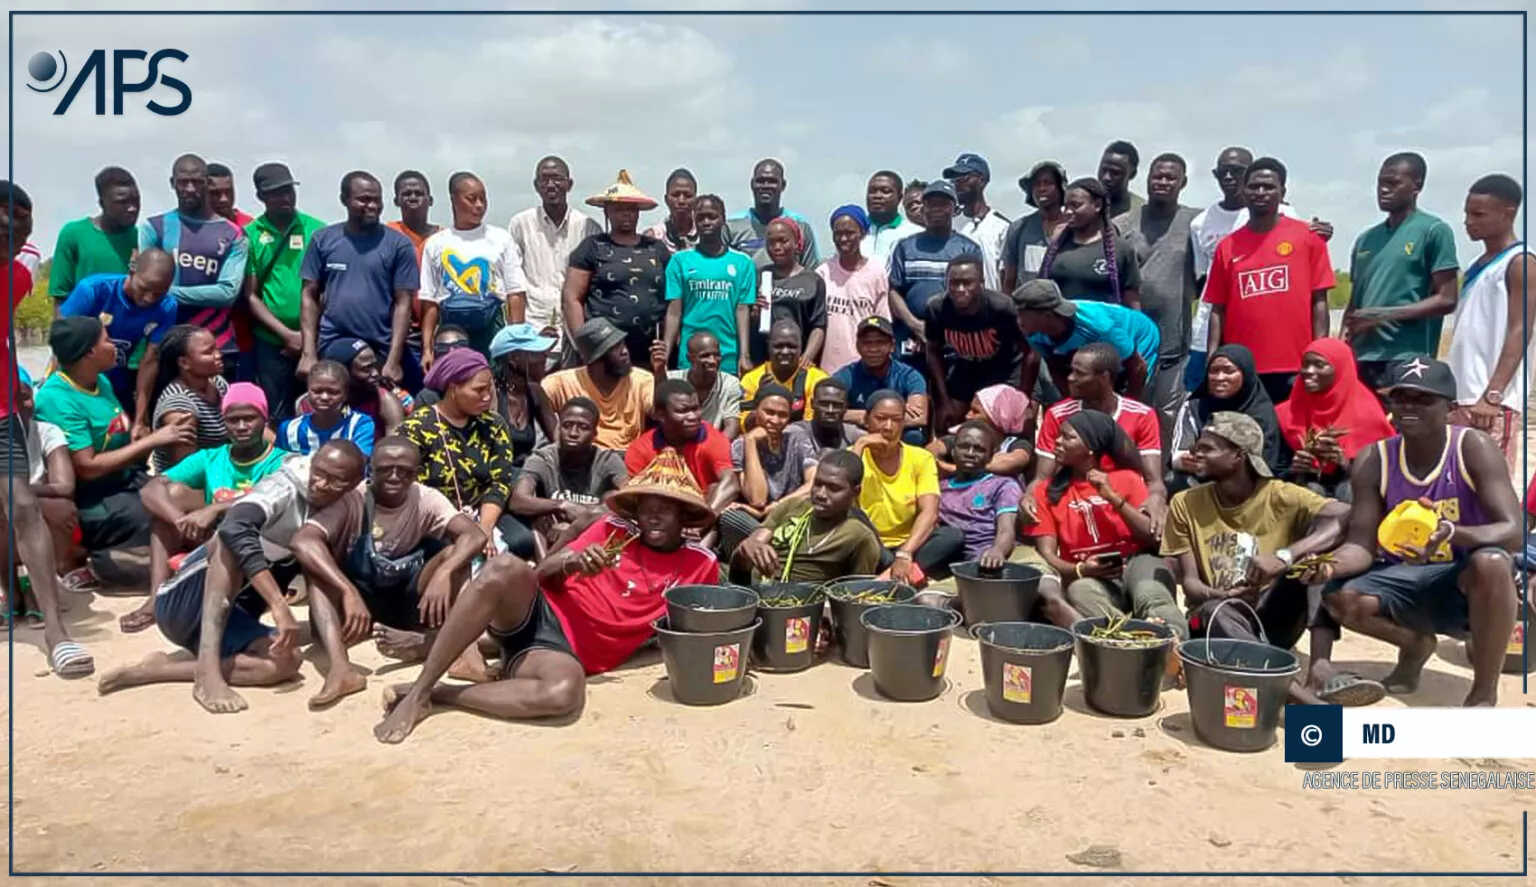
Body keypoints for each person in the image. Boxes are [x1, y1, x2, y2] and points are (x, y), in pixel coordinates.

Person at [372, 449, 719, 743]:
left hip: (558, 651)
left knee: (562, 693)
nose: (653, 516)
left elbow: (701, 623)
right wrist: (572, 562)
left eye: (666, 508)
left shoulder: (700, 565)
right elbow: (539, 574)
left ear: (684, 514)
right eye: (646, 507)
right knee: (504, 567)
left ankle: (442, 691)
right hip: (537, 611)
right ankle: (419, 691)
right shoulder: (613, 529)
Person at [1308, 358, 1522, 708]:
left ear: (1450, 408)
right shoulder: (1374, 458)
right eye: (1400, 397)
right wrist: (1327, 566)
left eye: (1423, 399)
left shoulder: (1472, 448)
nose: (1409, 407)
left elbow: (1512, 532)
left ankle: (1483, 693)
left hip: (1463, 579)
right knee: (1341, 598)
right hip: (1404, 575)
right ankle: (1414, 644)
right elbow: (1362, 544)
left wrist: (1453, 533)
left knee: (1493, 563)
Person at [96, 441, 366, 713]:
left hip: (235, 617)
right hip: (183, 605)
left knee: (286, 662)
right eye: (318, 472)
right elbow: (235, 527)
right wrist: (278, 605)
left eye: (334, 480)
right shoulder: (286, 484)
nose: (319, 483)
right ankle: (207, 673)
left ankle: (159, 670)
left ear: (354, 481)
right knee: (230, 541)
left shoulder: (348, 502)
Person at [1162, 414, 1359, 697]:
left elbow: (1348, 515)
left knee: (1314, 562)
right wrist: (1224, 595)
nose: (1195, 454)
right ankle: (1298, 697)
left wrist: (1286, 556)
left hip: (1273, 617)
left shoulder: (1280, 495)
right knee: (1210, 612)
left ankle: (1319, 669)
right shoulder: (1185, 503)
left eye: (1207, 448)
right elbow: (1191, 585)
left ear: (1238, 456)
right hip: (1214, 621)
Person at [289, 437, 488, 707]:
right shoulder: (354, 498)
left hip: (407, 597)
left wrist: (444, 573)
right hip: (360, 604)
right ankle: (341, 670)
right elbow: (303, 541)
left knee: (457, 555)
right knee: (316, 572)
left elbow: (474, 536)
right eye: (385, 469)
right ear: (372, 470)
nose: (394, 476)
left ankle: (468, 654)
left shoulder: (426, 498)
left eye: (404, 470)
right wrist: (347, 591)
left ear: (416, 472)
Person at [0, 182, 93, 677]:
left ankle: (56, 630)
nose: (16, 237)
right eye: (6, 227)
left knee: (21, 505)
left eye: (24, 227)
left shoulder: (18, 273)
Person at [125, 383, 290, 634]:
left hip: (253, 544)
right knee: (169, 498)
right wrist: (180, 520)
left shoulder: (280, 460)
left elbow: (274, 500)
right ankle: (156, 597)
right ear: (224, 422)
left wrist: (214, 509)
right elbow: (150, 489)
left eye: (250, 418)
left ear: (264, 420)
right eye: (234, 420)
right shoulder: (212, 457)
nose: (242, 426)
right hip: (207, 537)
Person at [35, 317, 191, 565]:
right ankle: (88, 559)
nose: (115, 346)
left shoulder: (100, 381)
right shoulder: (57, 398)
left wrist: (138, 434)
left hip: (126, 480)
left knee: (182, 499)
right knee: (156, 517)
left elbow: (117, 434)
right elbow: (86, 467)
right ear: (89, 352)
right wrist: (149, 442)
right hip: (92, 497)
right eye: (107, 340)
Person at [1188, 147, 1334, 392]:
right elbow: (1217, 310)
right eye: (1254, 187)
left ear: (1282, 192)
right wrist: (1214, 360)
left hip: (1295, 365)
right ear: (1245, 192)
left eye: (1268, 187)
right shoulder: (1227, 246)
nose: (1261, 192)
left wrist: (1319, 353)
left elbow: (1319, 301)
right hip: (1243, 368)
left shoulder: (1307, 238)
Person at [1030, 411, 1181, 634]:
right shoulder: (1045, 492)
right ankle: (1132, 640)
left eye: (1068, 437)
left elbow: (1150, 535)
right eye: (1059, 436)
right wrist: (1081, 569)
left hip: (1135, 563)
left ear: (1090, 448)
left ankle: (1172, 639)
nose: (1058, 442)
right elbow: (1048, 555)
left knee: (1150, 592)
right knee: (1080, 592)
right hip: (1091, 576)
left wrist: (1113, 497)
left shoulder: (1125, 479)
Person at [1344, 153, 1461, 389]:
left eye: (1393, 183)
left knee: (1403, 425)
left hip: (1408, 357)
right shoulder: (1366, 239)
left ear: (1417, 186)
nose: (1383, 190)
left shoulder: (1434, 230)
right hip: (1361, 358)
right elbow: (1355, 303)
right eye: (1380, 183)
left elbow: (1447, 299)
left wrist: (1382, 315)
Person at [400, 348, 531, 560]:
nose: (487, 396)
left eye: (490, 389)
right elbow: (414, 488)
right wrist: (460, 527)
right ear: (453, 389)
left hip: (483, 512)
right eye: (479, 390)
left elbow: (499, 483)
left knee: (522, 542)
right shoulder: (417, 427)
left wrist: (484, 528)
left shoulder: (493, 425)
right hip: (435, 517)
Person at [299, 171, 420, 394]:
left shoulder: (398, 245)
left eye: (377, 199)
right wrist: (308, 353)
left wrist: (394, 360)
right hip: (334, 343)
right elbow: (309, 295)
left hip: (379, 347)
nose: (372, 205)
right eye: (364, 199)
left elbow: (403, 303)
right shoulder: (322, 239)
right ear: (344, 199)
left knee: (384, 413)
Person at [1028, 343, 1167, 534]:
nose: (1070, 378)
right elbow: (1042, 478)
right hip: (1073, 499)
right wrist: (1028, 496)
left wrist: (1156, 498)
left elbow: (1154, 480)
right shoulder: (1057, 414)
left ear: (1104, 377)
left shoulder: (1142, 415)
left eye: (1079, 374)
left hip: (1123, 496)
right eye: (1071, 371)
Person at [1448, 173, 1533, 482]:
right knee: (1460, 485)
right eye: (1467, 213)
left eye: (1479, 214)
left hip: (1491, 400)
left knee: (1490, 488)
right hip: (1464, 396)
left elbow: (1520, 329)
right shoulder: (1477, 265)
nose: (1469, 221)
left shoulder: (1520, 262)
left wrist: (1493, 394)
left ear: (1507, 213)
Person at [138, 154, 249, 374]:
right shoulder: (154, 228)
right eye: (183, 182)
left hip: (217, 346)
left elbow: (227, 293)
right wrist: (156, 292)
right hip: (164, 343)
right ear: (173, 183)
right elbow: (144, 287)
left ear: (207, 183)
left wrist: (165, 292)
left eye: (197, 182)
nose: (190, 188)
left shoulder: (233, 234)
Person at [1117, 153, 1199, 438]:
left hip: (1174, 343)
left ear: (1183, 183)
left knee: (1167, 415)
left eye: (1170, 178)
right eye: (1157, 176)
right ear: (1148, 179)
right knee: (1131, 412)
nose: (1163, 182)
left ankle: (1162, 477)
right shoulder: (1123, 224)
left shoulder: (1195, 222)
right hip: (1131, 341)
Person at [562, 170, 671, 369]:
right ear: (607, 211)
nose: (626, 214)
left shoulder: (656, 248)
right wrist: (584, 345)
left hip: (648, 349)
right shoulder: (592, 247)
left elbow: (673, 298)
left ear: (638, 211)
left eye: (631, 208)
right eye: (618, 209)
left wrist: (667, 342)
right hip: (604, 348)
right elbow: (572, 298)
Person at [57, 249, 176, 431]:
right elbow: (61, 342)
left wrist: (140, 418)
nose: (149, 299)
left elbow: (150, 361)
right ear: (132, 272)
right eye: (144, 288)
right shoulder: (93, 290)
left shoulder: (167, 307)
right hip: (75, 383)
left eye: (158, 294)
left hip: (118, 384)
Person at [853, 390, 963, 584]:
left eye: (896, 420)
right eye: (880, 419)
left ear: (903, 423)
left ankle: (888, 578)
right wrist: (860, 445)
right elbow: (843, 501)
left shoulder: (921, 458)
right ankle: (906, 576)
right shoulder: (853, 456)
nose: (888, 427)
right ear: (866, 420)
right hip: (869, 544)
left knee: (951, 536)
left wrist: (905, 553)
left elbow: (929, 512)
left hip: (909, 544)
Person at [244, 162, 326, 421]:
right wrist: (287, 336)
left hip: (314, 338)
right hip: (270, 340)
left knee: (319, 406)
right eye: (276, 193)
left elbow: (326, 288)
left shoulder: (318, 230)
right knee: (277, 412)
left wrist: (306, 338)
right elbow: (250, 295)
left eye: (288, 190)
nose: (285, 198)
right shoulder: (250, 235)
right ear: (261, 197)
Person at [418, 172, 527, 360]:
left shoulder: (500, 239)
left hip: (491, 327)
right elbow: (430, 301)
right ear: (453, 199)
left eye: (483, 199)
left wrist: (515, 344)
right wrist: (427, 349)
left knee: (492, 382)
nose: (479, 205)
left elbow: (515, 293)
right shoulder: (436, 244)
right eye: (472, 199)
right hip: (451, 329)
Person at [734, 449, 882, 585]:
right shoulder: (792, 507)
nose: (821, 494)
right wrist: (750, 548)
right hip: (756, 589)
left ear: (856, 492)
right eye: (818, 484)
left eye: (834, 488)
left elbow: (855, 597)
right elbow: (754, 544)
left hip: (804, 606)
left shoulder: (858, 536)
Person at [1276, 338, 1395, 499]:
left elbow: (1385, 472)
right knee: (1310, 491)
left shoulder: (1367, 413)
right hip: (1303, 490)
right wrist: (1294, 468)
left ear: (1340, 369)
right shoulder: (1285, 414)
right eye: (1305, 364)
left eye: (1319, 365)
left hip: (1351, 492)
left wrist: (1345, 463)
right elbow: (1271, 469)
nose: (1308, 371)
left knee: (1348, 491)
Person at [509, 397, 628, 556]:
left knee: (612, 497)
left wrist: (580, 521)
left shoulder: (607, 459)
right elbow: (517, 501)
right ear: (558, 428)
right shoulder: (544, 458)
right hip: (552, 535)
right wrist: (562, 505)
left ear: (595, 433)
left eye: (583, 427)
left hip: (592, 536)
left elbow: (629, 498)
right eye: (567, 425)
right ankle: (542, 573)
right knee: (538, 519)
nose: (573, 433)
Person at [923, 255, 1024, 432]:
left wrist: (1024, 396)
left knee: (1002, 426)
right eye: (954, 283)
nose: (960, 289)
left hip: (1004, 371)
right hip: (966, 367)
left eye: (967, 282)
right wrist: (944, 400)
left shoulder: (1001, 307)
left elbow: (1029, 352)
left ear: (981, 282)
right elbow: (932, 351)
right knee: (945, 423)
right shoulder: (937, 308)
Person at [1015, 279, 1159, 403]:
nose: (1018, 321)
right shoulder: (1033, 332)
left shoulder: (1100, 327)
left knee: (1123, 398)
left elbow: (1138, 367)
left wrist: (1127, 412)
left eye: (1022, 315)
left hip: (1137, 340)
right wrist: (1074, 406)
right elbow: (1056, 369)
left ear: (1047, 316)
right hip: (1090, 350)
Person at [716, 384, 819, 557]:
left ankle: (781, 551)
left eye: (782, 415)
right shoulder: (740, 445)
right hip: (758, 521)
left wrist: (776, 507)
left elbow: (814, 483)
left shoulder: (797, 438)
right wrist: (751, 442)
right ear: (756, 411)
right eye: (769, 412)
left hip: (792, 515)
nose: (775, 420)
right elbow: (757, 499)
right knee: (730, 518)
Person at [887, 179, 983, 365]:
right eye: (931, 204)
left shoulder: (969, 249)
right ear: (923, 208)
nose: (937, 209)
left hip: (955, 343)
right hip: (911, 340)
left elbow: (976, 295)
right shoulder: (905, 247)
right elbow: (894, 292)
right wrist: (916, 325)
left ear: (954, 209)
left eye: (944, 204)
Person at [661, 194, 757, 376]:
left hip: (727, 355)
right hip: (690, 357)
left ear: (723, 219)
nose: (706, 222)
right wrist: (665, 355)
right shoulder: (680, 261)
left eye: (712, 216)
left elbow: (742, 310)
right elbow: (674, 312)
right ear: (694, 221)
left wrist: (744, 355)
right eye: (700, 217)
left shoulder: (743, 263)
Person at [508, 156, 602, 335]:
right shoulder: (520, 224)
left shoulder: (588, 227)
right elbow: (513, 281)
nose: (551, 185)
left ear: (570, 184)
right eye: (544, 179)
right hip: (534, 324)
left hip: (577, 327)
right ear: (536, 185)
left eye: (557, 178)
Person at [1170, 344, 1282, 493]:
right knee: (1173, 480)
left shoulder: (1261, 413)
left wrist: (1217, 463)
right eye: (1213, 371)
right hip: (1202, 479)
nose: (1219, 378)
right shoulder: (1194, 407)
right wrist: (1184, 461)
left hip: (1249, 483)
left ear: (1245, 374)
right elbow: (1178, 452)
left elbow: (1265, 462)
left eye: (1229, 371)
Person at [624, 379, 739, 516]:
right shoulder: (640, 448)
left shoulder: (713, 439)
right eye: (682, 411)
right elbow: (633, 493)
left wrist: (706, 518)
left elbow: (731, 484)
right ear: (659, 415)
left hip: (704, 511)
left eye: (696, 408)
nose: (693, 417)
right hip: (658, 514)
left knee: (716, 491)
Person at [542, 318, 655, 450]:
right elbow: (531, 400)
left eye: (623, 344)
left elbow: (659, 412)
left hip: (626, 459)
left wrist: (660, 373)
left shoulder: (641, 380)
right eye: (615, 348)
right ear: (596, 359)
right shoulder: (561, 382)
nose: (624, 351)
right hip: (580, 458)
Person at [1037, 178, 1141, 308]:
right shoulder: (1056, 248)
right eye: (1066, 206)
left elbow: (1132, 303)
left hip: (1103, 327)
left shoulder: (1121, 251)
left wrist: (1136, 327)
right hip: (1061, 326)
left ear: (1097, 205)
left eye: (1076, 205)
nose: (1068, 212)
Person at [48, 166, 141, 302]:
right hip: (83, 320)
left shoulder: (142, 238)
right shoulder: (74, 234)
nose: (132, 208)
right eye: (122, 202)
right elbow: (60, 294)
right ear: (102, 203)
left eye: (136, 200)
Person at [832, 317, 928, 445]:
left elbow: (919, 418)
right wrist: (890, 414)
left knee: (914, 436)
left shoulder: (909, 375)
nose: (873, 349)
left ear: (892, 345)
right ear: (858, 346)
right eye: (867, 343)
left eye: (880, 342)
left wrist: (862, 417)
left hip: (895, 434)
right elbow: (830, 412)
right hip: (860, 433)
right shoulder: (845, 375)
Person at [819, 204, 892, 374]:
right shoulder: (822, 272)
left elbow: (883, 323)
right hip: (827, 367)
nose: (844, 239)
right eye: (838, 234)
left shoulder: (876, 272)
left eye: (850, 233)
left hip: (864, 367)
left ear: (863, 234)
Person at [940, 421, 1022, 567]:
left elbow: (1006, 529)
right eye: (964, 447)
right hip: (954, 559)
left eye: (979, 449)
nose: (970, 453)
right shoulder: (940, 487)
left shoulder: (1003, 485)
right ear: (953, 451)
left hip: (991, 557)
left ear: (991, 456)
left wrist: (998, 550)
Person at [149, 325, 230, 472]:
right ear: (184, 363)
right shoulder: (179, 406)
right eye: (208, 352)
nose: (218, 355)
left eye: (216, 348)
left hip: (221, 467)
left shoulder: (217, 382)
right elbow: (188, 469)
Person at [385, 170, 443, 369]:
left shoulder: (445, 238)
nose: (413, 197)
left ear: (431, 199)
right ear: (396, 200)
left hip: (437, 329)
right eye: (406, 194)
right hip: (398, 330)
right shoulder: (387, 235)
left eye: (419, 193)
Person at [750, 216, 827, 365]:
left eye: (783, 241)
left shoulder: (813, 280)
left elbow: (819, 326)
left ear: (797, 243)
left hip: (797, 361)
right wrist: (754, 313)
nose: (777, 247)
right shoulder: (758, 277)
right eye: (771, 242)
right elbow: (745, 321)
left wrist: (808, 356)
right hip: (762, 362)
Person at [299, 337, 408, 435]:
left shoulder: (384, 400)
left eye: (374, 365)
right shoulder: (309, 404)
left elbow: (394, 443)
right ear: (343, 372)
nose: (375, 373)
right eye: (366, 369)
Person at [725, 158, 819, 269]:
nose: (766, 186)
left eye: (772, 181)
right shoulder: (731, 227)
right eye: (760, 181)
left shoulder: (801, 227)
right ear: (752, 184)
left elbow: (811, 274)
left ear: (783, 185)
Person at [487, 323, 558, 468]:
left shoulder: (535, 392)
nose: (544, 358)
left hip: (524, 475)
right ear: (514, 358)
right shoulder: (489, 394)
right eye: (537, 352)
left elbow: (558, 441)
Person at [929, 384, 1033, 479]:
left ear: (997, 418)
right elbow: (931, 451)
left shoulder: (1017, 444)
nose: (967, 415)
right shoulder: (962, 438)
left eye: (975, 411)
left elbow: (1016, 460)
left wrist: (956, 469)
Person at [276, 361, 377, 456]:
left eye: (333, 392)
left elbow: (359, 462)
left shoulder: (359, 425)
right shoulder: (289, 429)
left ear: (345, 394)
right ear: (308, 392)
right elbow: (280, 466)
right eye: (317, 391)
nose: (324, 397)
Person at [739, 320, 828, 426]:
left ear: (801, 347)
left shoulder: (816, 379)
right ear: (769, 346)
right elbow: (743, 424)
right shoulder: (752, 379)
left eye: (791, 346)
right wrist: (758, 402)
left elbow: (812, 425)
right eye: (779, 346)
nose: (785, 351)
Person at [943, 153, 1010, 289]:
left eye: (964, 178)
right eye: (955, 180)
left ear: (982, 181)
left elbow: (1007, 274)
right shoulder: (949, 224)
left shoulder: (1002, 227)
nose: (958, 185)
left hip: (991, 305)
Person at [661, 331, 742, 441]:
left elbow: (732, 426)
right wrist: (658, 371)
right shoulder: (671, 380)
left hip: (714, 445)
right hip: (678, 444)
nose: (713, 361)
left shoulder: (730, 383)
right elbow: (658, 414)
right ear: (689, 358)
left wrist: (712, 450)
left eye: (717, 355)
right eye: (705, 356)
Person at [1002, 161, 1069, 293]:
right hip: (1027, 308)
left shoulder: (1073, 227)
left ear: (1060, 188)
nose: (1041, 188)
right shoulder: (1019, 228)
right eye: (1037, 184)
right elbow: (1009, 280)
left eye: (1048, 183)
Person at [860, 170, 922, 266]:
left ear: (900, 197)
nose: (878, 196)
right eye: (872, 191)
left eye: (885, 191)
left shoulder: (915, 235)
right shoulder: (854, 231)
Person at [793, 376, 862, 453]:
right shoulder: (795, 433)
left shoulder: (854, 435)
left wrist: (862, 443)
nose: (830, 410)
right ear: (812, 404)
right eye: (824, 404)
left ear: (845, 407)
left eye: (837, 405)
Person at [643, 168, 700, 254]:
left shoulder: (707, 234)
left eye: (688, 195)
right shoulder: (653, 237)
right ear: (666, 200)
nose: (681, 201)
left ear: (696, 200)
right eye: (675, 195)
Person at [1097, 140, 1143, 219]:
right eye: (1103, 170)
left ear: (1132, 174)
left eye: (1115, 173)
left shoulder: (1141, 213)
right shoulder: (1079, 205)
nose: (1106, 177)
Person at [206, 163, 255, 227]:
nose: (224, 199)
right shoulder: (192, 228)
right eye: (215, 193)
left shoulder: (249, 226)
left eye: (228, 192)